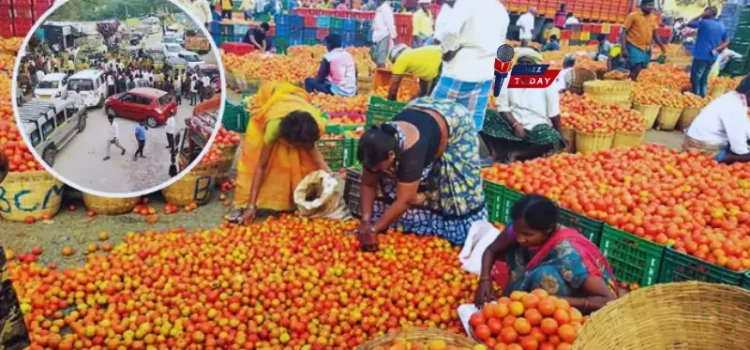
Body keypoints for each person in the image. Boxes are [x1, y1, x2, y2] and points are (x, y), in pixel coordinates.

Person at [354, 97, 487, 250]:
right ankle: (400, 224)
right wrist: (365, 220)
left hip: (454, 120)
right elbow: (368, 183)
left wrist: (373, 229)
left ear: (391, 155)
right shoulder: (373, 147)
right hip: (420, 111)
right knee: (389, 179)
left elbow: (405, 200)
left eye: (378, 168)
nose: (375, 172)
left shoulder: (413, 150)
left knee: (453, 185)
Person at [473, 195, 618, 313]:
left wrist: (552, 302)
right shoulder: (519, 228)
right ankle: (518, 299)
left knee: (544, 275)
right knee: (514, 249)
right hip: (539, 297)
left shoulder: (569, 255)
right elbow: (491, 250)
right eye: (517, 232)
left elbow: (607, 300)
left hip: (579, 306)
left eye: (527, 234)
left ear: (548, 230)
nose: (519, 238)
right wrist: (484, 280)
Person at [230, 82, 331, 223]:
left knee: (302, 161)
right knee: (256, 159)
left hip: (294, 103)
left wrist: (330, 179)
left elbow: (313, 152)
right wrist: (251, 205)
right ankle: (243, 202)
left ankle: (293, 198)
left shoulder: (313, 124)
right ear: (287, 139)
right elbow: (261, 166)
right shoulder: (273, 128)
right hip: (271, 104)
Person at [432, 0, 509, 132]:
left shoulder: (466, 3)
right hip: (485, 73)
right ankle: (467, 149)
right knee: (472, 122)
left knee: (435, 116)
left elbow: (451, 32)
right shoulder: (500, 9)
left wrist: (447, 51)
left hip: (461, 69)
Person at [481, 48, 566, 163]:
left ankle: (517, 153)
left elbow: (554, 113)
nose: (524, 67)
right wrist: (516, 125)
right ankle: (496, 153)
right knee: (484, 115)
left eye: (528, 63)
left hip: (537, 126)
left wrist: (560, 136)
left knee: (552, 138)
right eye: (521, 63)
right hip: (512, 124)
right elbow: (503, 107)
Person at [683, 76, 750, 164]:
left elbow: (745, 128)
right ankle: (717, 159)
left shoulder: (733, 97)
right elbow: (739, 149)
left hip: (697, 140)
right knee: (745, 156)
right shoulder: (734, 108)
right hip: (701, 149)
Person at [687, 6, 729, 97]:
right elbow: (727, 41)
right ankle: (703, 95)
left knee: (696, 76)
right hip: (713, 56)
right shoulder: (721, 25)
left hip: (701, 55)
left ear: (708, 13)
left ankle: (696, 95)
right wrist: (717, 49)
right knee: (704, 76)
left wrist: (702, 15)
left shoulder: (704, 23)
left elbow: (689, 23)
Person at [621, 0, 665, 81]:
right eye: (649, 5)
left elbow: (655, 33)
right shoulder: (633, 16)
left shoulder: (653, 17)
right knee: (636, 67)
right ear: (642, 6)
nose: (651, 7)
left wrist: (661, 45)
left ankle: (631, 83)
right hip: (634, 45)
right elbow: (623, 32)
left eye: (652, 5)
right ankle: (629, 85)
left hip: (646, 47)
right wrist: (623, 48)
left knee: (641, 67)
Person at [371, 0, 397, 68]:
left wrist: (394, 36)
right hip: (377, 36)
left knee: (381, 60)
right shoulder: (380, 9)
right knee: (376, 58)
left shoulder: (386, 9)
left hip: (383, 36)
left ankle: (382, 76)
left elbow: (390, 25)